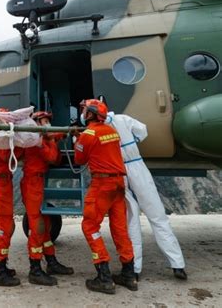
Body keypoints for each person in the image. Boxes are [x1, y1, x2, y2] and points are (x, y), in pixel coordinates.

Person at [105, 110, 187, 280]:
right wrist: (133, 142)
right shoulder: (123, 119)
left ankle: (135, 269)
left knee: (131, 221)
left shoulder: (98, 128)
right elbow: (143, 130)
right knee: (157, 217)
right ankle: (178, 265)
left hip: (120, 172)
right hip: (138, 167)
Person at [73, 99, 137, 294]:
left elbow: (79, 159)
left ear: (91, 114)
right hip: (119, 184)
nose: (83, 112)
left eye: (85, 110)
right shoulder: (112, 131)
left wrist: (77, 139)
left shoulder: (88, 135)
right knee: (119, 229)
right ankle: (129, 275)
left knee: (89, 226)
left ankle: (104, 276)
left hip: (102, 184)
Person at [20, 111, 74, 286]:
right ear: (35, 123)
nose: (47, 124)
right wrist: (53, 140)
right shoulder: (36, 139)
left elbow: (52, 134)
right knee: (37, 226)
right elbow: (53, 158)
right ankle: (35, 269)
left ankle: (51, 262)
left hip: (39, 182)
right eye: (44, 121)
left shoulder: (42, 137)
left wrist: (63, 132)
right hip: (32, 183)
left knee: (46, 225)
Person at [0, 148, 21, 286]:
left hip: (1, 181)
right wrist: (21, 149)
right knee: (5, 228)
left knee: (2, 226)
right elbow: (6, 155)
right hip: (1, 183)